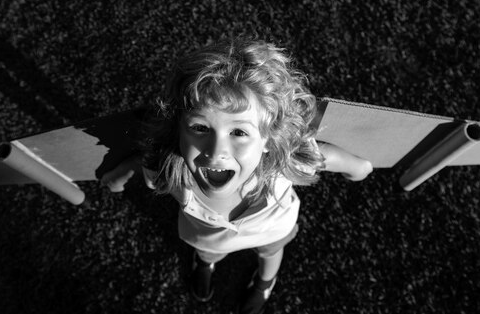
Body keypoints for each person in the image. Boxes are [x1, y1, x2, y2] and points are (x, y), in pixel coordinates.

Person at [102, 37, 372, 314]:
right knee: (209, 253)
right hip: (207, 239)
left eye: (239, 132)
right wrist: (121, 173)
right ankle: (206, 264)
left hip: (272, 231)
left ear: (269, 138)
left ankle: (264, 283)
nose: (216, 152)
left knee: (270, 254)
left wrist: (358, 166)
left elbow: (325, 157)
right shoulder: (169, 170)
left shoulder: (283, 164)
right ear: (177, 130)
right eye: (200, 128)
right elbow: (143, 161)